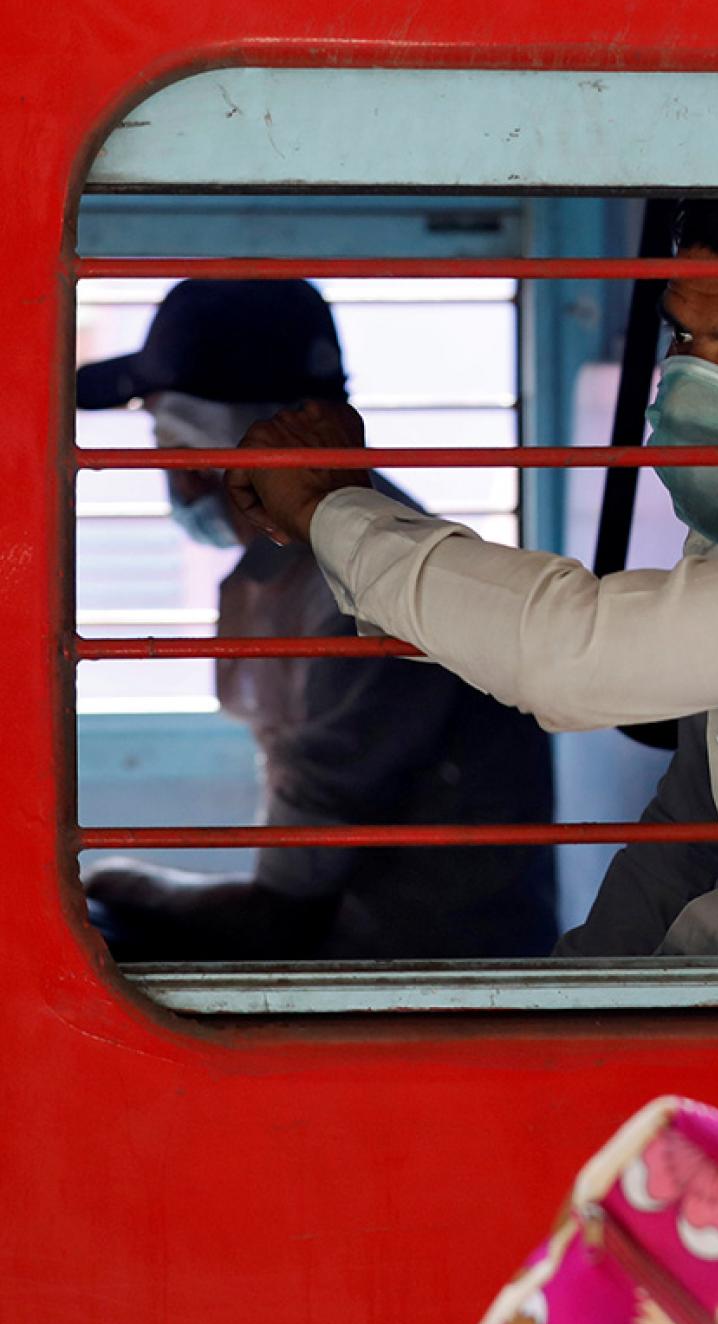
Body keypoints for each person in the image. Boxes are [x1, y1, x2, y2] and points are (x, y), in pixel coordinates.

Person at [227, 198, 718, 956]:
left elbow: (574, 655)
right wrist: (579, 995)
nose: (691, 382)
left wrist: (332, 507)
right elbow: (701, 813)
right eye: (685, 339)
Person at [76, 280, 558, 961]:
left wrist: (123, 882)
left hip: (420, 982)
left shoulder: (357, 600)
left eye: (165, 440)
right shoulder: (308, 564)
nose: (171, 476)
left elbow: (282, 915)